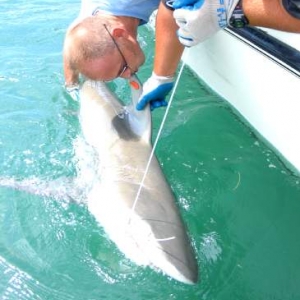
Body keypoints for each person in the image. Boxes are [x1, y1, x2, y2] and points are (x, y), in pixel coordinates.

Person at [63, 0, 300, 108]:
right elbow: (70, 43)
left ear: (120, 34)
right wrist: (71, 85)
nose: (127, 76)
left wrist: (227, 9)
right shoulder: (91, 18)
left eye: (122, 68)